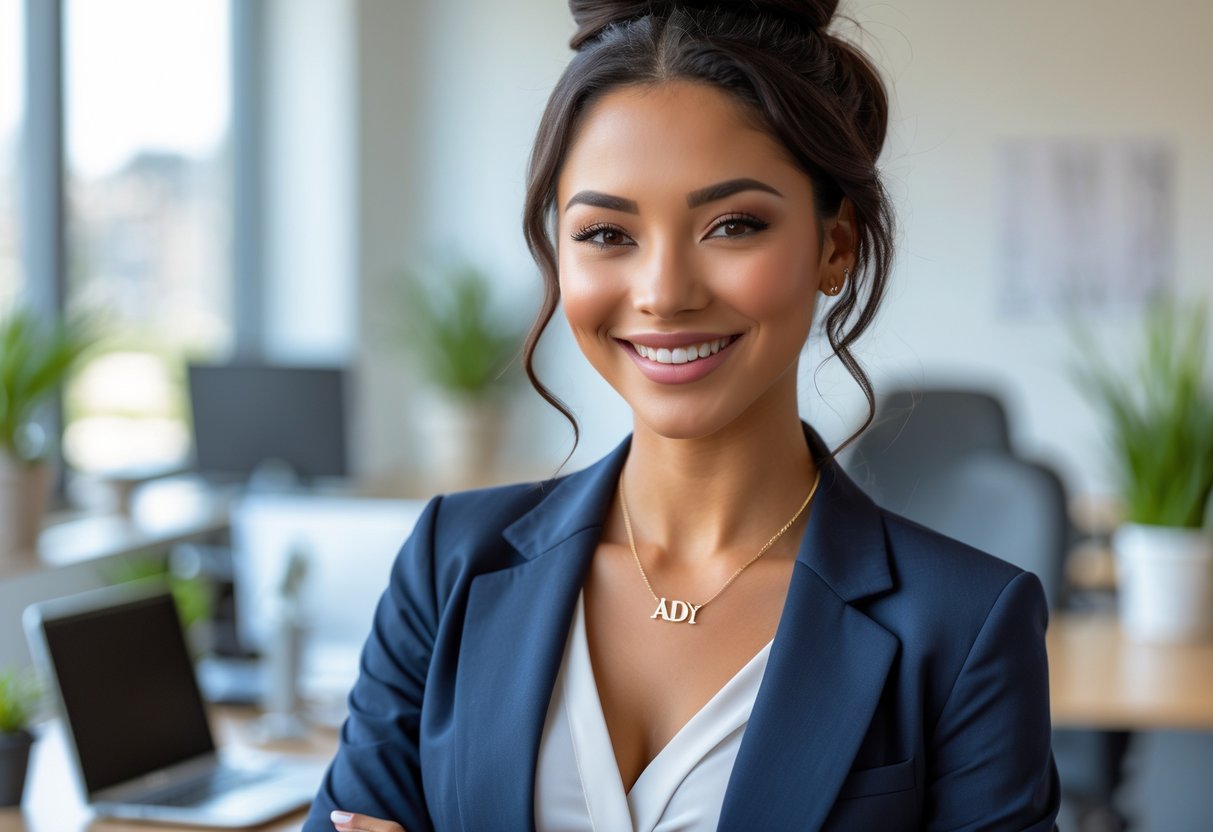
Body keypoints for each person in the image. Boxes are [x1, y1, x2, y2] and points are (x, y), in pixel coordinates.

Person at [306, 1, 1061, 829]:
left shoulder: (963, 622)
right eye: (605, 233)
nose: (663, 293)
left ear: (835, 246)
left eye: (732, 225)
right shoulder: (450, 564)